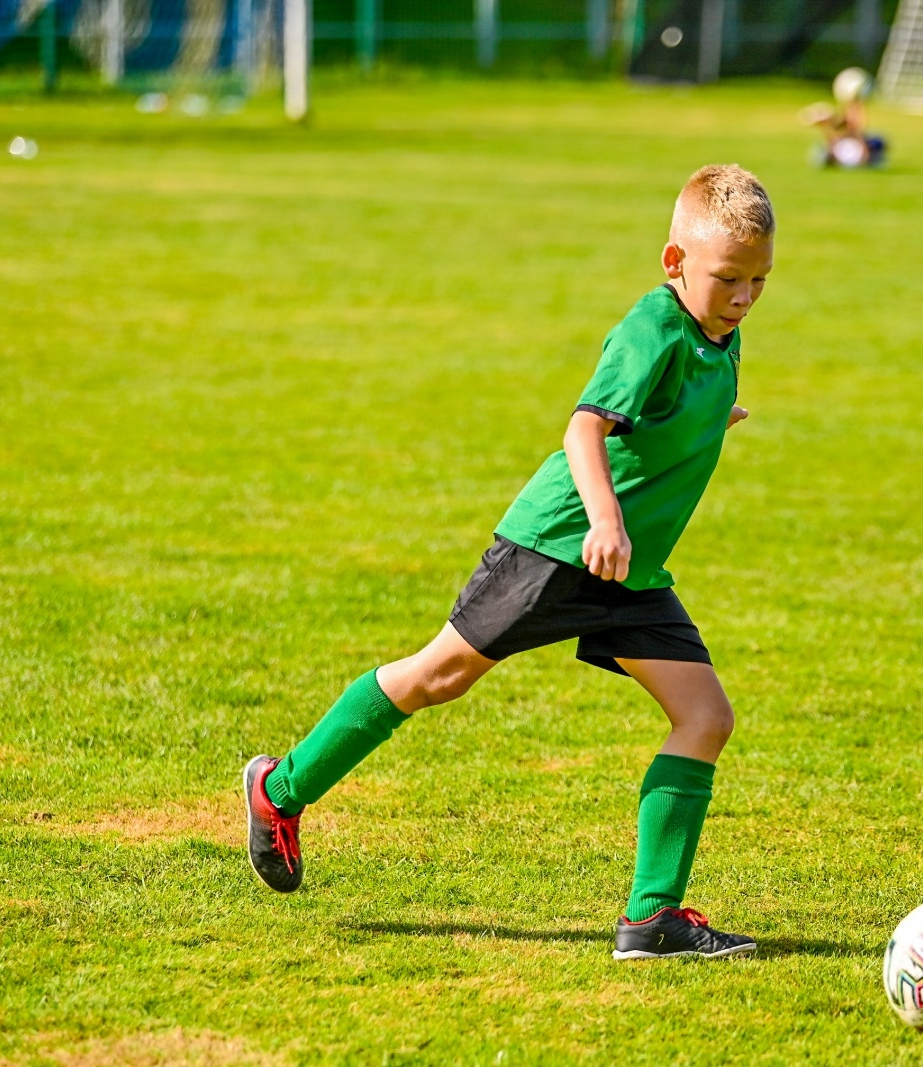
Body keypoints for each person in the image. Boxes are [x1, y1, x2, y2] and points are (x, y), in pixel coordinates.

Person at [242, 164, 777, 961]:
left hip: (628, 572)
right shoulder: (652, 329)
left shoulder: (723, 334)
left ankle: (651, 918)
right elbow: (585, 429)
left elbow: (670, 413)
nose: (742, 296)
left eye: (760, 280)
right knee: (437, 677)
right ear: (673, 261)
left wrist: (708, 419)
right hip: (561, 545)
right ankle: (278, 790)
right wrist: (604, 517)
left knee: (706, 717)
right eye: (727, 278)